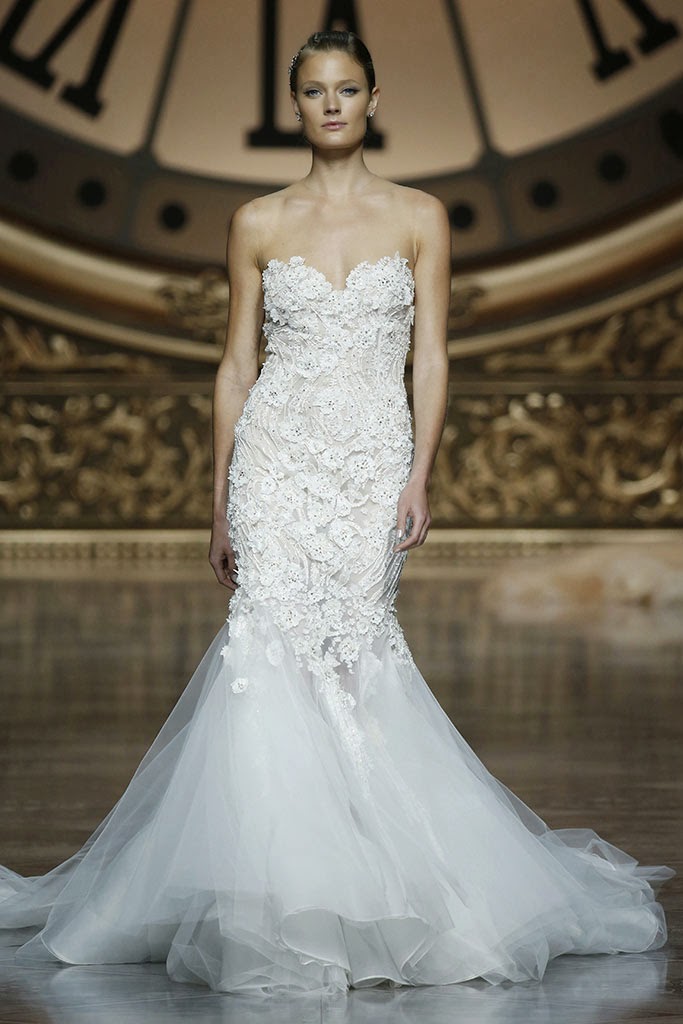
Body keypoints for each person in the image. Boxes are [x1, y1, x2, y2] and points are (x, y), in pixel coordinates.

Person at [0, 30, 674, 998]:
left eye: (346, 89)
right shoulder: (256, 222)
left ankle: (377, 895)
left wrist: (419, 474)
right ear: (295, 105)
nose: (329, 105)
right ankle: (281, 903)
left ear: (371, 99)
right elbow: (235, 364)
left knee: (355, 661)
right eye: (313, 90)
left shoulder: (419, 216)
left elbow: (430, 356)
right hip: (275, 458)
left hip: (369, 462)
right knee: (266, 654)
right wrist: (219, 499)